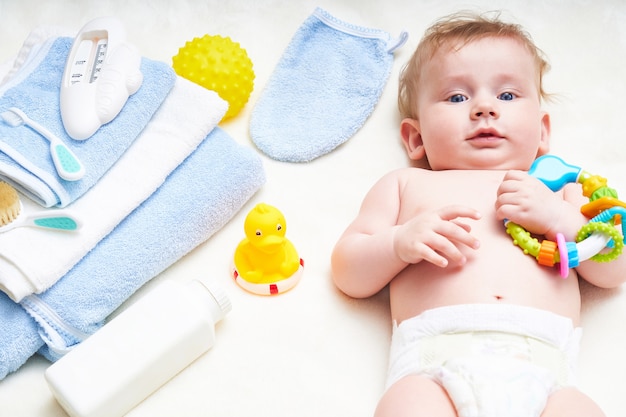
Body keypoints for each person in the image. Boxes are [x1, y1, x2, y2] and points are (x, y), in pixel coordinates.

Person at [331, 11, 626, 417]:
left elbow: (614, 270)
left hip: (544, 365)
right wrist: (399, 243)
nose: (484, 107)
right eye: (457, 97)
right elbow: (348, 271)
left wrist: (559, 219)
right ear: (416, 137)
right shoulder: (406, 185)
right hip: (433, 362)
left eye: (507, 95)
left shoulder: (561, 190)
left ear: (542, 132)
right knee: (406, 406)